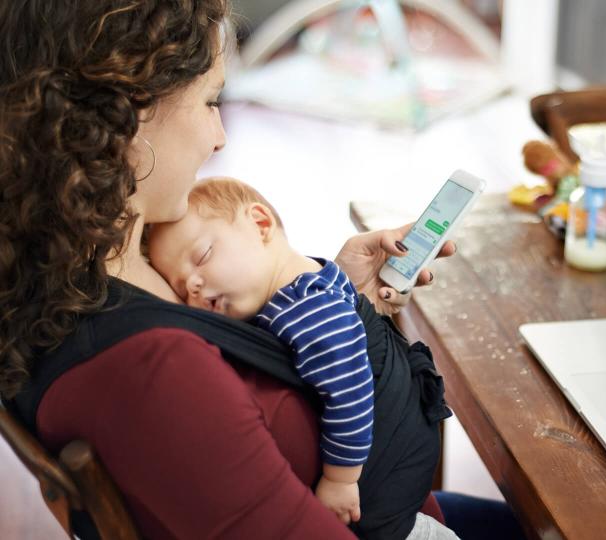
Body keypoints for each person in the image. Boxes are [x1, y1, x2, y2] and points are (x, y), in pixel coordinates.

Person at [0, 2, 530, 539]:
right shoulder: (152, 369)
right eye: (211, 102)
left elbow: (237, 372)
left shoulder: (78, 268)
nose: (219, 137)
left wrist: (337, 300)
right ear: (128, 113)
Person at [147, 176, 453, 538]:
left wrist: (340, 479)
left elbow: (350, 393)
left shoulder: (304, 309)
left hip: (381, 496)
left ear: (260, 224)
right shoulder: (308, 283)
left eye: (202, 257)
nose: (193, 285)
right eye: (181, 288)